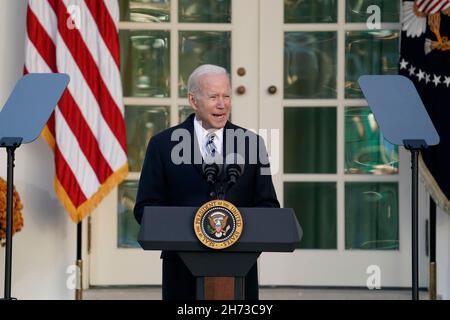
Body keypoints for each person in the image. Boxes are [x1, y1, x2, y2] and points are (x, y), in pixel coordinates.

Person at [134, 64, 279, 300]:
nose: (222, 104)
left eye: (226, 96)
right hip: (181, 269)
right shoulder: (163, 145)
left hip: (239, 268)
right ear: (193, 100)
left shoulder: (251, 144)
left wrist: (237, 231)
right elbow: (145, 209)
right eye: (213, 97)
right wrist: (192, 228)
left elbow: (268, 206)